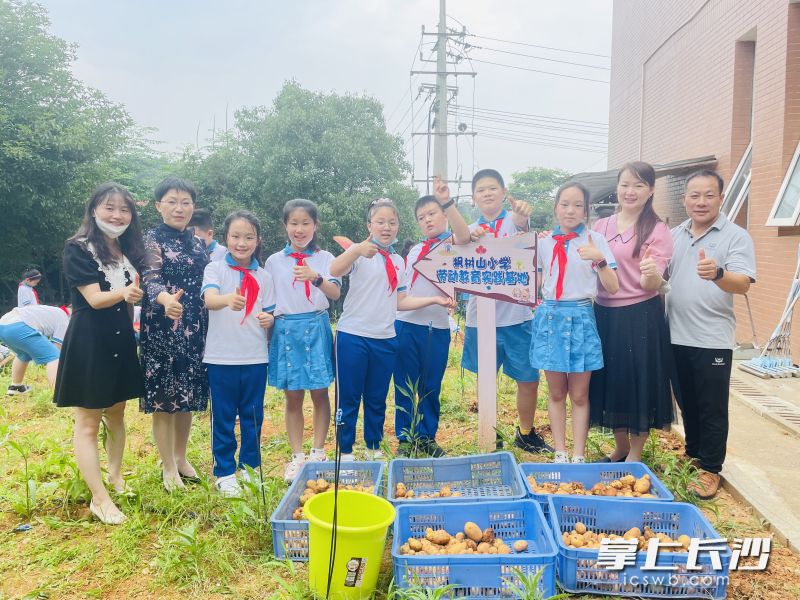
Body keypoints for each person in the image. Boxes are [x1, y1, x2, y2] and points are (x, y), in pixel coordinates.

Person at [329, 198, 453, 461]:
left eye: (392, 222)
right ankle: (346, 452)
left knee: (377, 399)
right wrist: (356, 249)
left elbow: (401, 301)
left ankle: (373, 448)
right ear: (369, 225)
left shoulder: (398, 261)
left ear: (398, 226)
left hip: (385, 338)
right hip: (352, 335)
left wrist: (434, 299)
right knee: (348, 398)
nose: (386, 227)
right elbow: (334, 269)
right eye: (380, 222)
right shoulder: (359, 254)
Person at [658, 169, 756, 499]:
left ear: (721, 198)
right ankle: (694, 454)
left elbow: (742, 283)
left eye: (709, 195)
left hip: (712, 338)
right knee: (687, 402)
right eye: (695, 195)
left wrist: (717, 273)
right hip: (676, 334)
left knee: (711, 407)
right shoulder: (674, 234)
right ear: (684, 199)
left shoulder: (736, 236)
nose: (701, 202)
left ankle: (711, 468)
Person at [53, 182, 146, 525]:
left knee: (118, 413)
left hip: (120, 340)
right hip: (90, 341)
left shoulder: (126, 250)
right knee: (89, 422)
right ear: (94, 210)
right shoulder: (78, 248)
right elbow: (93, 299)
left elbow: (131, 298)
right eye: (110, 207)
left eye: (124, 209)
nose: (117, 215)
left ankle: (116, 477)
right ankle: (99, 498)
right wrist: (125, 294)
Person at [589, 162, 675, 463]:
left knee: (638, 381)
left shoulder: (658, 230)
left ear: (650, 190)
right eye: (625, 184)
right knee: (613, 379)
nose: (630, 191)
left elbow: (651, 284)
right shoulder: (600, 226)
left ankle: (635, 454)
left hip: (640, 315)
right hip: (603, 313)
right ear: (617, 187)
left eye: (639, 185)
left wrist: (651, 273)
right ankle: (621, 447)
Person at [464, 169, 551, 453]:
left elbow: (523, 224)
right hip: (480, 319)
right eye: (481, 190)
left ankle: (525, 433)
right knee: (485, 379)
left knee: (528, 378)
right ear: (473, 197)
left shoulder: (514, 222)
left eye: (493, 188)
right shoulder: (468, 230)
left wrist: (522, 215)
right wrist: (466, 239)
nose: (487, 193)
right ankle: (489, 433)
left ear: (503, 193)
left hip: (517, 317)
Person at [531, 182, 619, 463]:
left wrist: (599, 260)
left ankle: (579, 455)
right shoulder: (544, 242)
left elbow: (613, 287)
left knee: (579, 395)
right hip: (550, 317)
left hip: (581, 317)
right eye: (565, 204)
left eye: (578, 205)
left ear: (585, 211)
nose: (570, 210)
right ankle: (560, 452)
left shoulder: (595, 240)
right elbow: (537, 281)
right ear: (555, 207)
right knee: (556, 392)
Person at [139, 177, 209, 492]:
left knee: (187, 396)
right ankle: (168, 466)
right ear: (159, 206)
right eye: (172, 201)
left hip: (195, 327)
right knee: (164, 399)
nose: (179, 208)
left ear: (193, 207)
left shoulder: (198, 242)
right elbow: (150, 278)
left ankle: (180, 457)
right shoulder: (151, 239)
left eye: (185, 202)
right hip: (162, 327)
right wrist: (167, 300)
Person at [393, 177, 470, 457]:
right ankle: (405, 437)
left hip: (436, 327)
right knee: (403, 384)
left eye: (432, 213)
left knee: (430, 385)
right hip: (405, 324)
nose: (427, 220)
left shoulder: (454, 243)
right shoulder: (415, 250)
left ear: (445, 215)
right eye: (421, 217)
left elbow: (464, 235)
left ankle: (426, 437)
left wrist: (447, 201)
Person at [265, 199, 341, 482]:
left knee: (320, 392)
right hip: (286, 329)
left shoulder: (326, 258)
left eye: (305, 223)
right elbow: (268, 300)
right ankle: (297, 456)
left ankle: (318, 452)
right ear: (285, 225)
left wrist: (316, 277)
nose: (299, 229)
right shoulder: (274, 261)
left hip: (316, 325)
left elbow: (335, 294)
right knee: (293, 396)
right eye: (293, 223)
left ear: (315, 225)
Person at [202, 210, 275, 496]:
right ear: (226, 238)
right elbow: (209, 300)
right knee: (222, 416)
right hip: (221, 357)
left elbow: (270, 312)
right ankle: (224, 471)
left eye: (248, 237)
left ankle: (250, 468)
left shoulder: (264, 276)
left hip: (255, 357)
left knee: (253, 415)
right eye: (235, 236)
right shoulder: (215, 269)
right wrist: (227, 299)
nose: (241, 243)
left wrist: (270, 319)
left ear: (258, 240)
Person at [1, 304, 70, 395]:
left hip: (3, 325)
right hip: (19, 326)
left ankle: (16, 387)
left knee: (23, 354)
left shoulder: (54, 311)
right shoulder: (65, 319)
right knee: (54, 357)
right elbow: (57, 347)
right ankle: (59, 394)